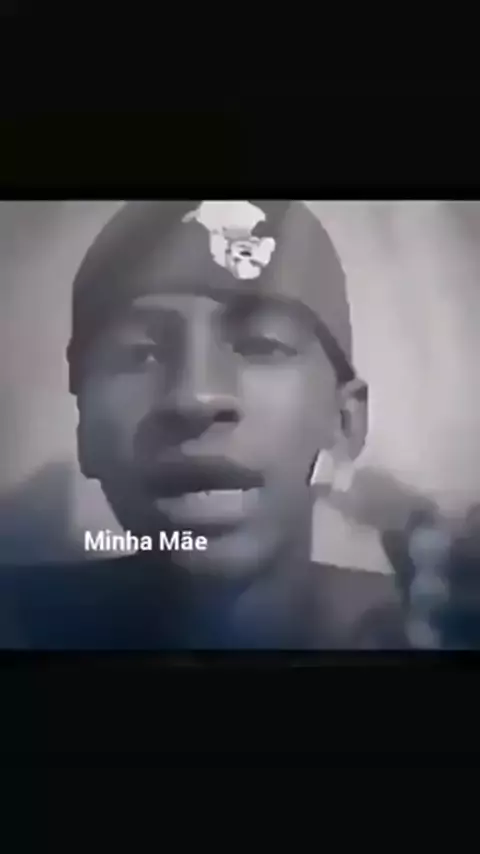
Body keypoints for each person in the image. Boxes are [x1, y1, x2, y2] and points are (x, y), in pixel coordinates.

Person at [0, 200, 472, 649]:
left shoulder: (440, 627)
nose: (195, 398)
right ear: (84, 429)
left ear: (345, 421)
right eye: (139, 352)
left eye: (262, 345)